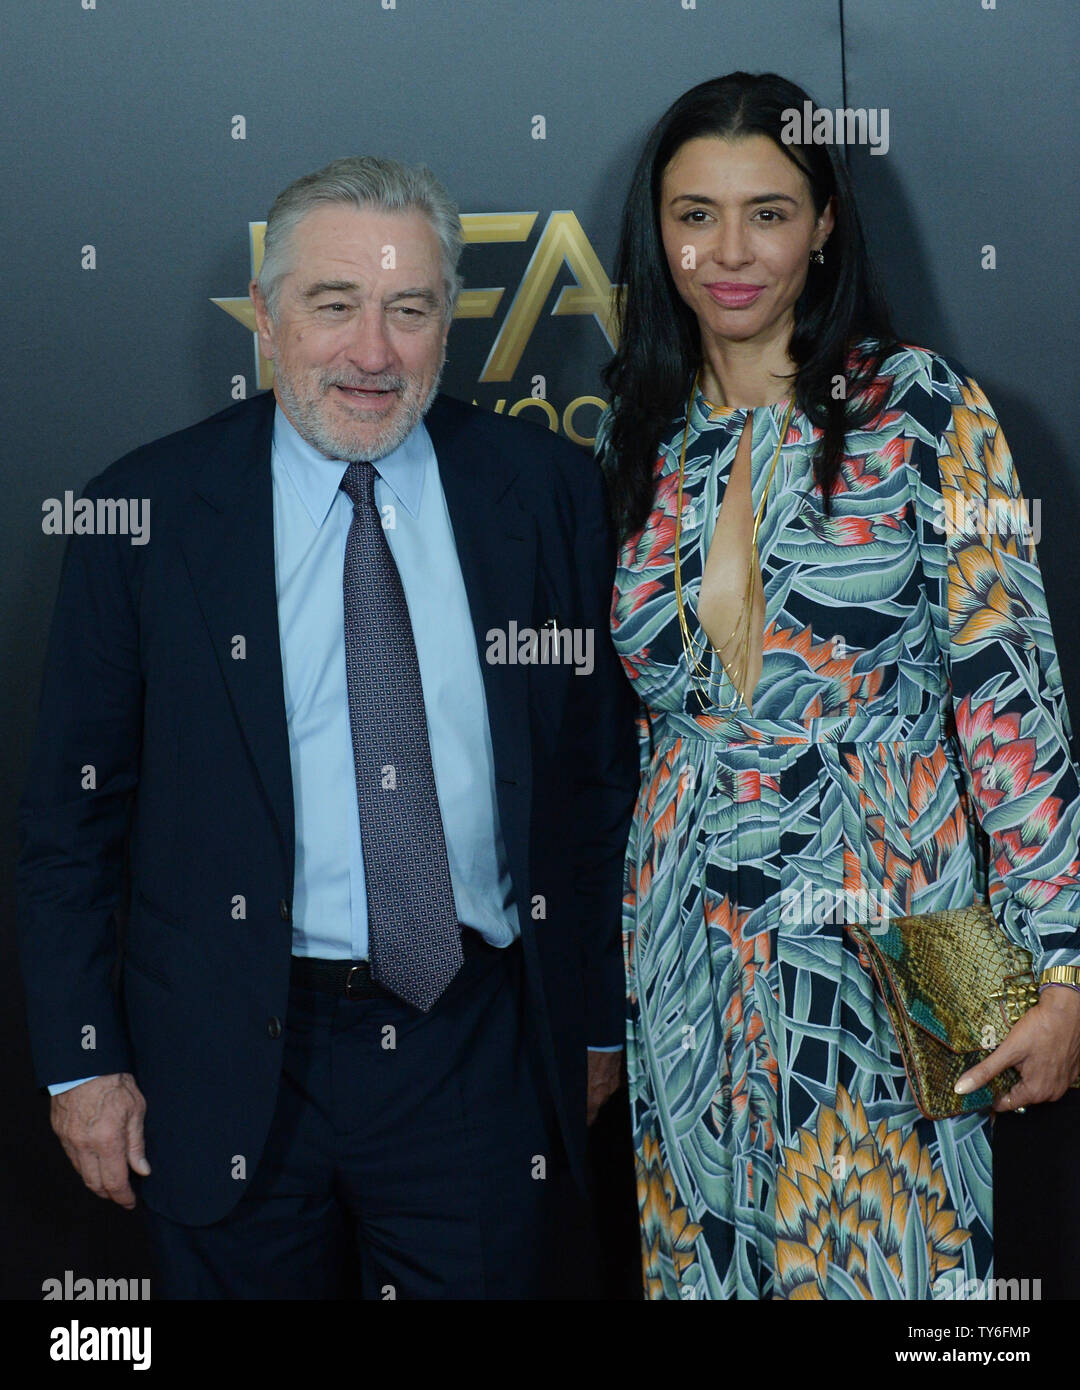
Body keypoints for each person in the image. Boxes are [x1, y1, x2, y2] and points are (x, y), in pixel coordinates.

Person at [17, 155, 639, 1299]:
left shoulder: (546, 492)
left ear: (448, 322)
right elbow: (69, 824)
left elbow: (598, 785)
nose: (372, 352)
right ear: (265, 315)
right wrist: (82, 1064)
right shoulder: (142, 515)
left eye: (409, 310)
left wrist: (595, 1022)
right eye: (334, 304)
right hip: (225, 1054)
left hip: (478, 1053)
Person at [596, 72, 1080, 1300]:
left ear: (825, 226)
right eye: (694, 214)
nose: (728, 252)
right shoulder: (636, 438)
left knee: (899, 1267)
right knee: (708, 1263)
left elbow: (1012, 704)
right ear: (658, 233)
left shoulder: (926, 411)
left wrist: (1062, 972)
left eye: (769, 211)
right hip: (685, 943)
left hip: (905, 927)